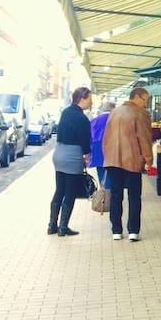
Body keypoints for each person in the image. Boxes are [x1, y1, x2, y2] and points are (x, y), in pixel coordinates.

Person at [103, 87, 153, 241]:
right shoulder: (140, 113)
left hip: (112, 160)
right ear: (137, 97)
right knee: (134, 196)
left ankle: (116, 231)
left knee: (116, 195)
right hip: (132, 160)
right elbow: (144, 138)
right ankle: (133, 231)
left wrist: (107, 157)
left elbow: (106, 138)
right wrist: (148, 159)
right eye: (145, 99)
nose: (146, 103)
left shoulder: (114, 112)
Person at [48, 87, 93, 237]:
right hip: (72, 156)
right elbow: (85, 142)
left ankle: (52, 226)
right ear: (82, 99)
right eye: (89, 99)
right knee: (70, 192)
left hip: (58, 153)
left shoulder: (65, 112)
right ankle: (63, 228)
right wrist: (87, 156)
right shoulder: (82, 119)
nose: (91, 102)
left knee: (59, 190)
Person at [89, 100, 115, 188]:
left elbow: (89, 136)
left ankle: (103, 193)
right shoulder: (114, 119)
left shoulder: (94, 120)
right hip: (112, 152)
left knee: (101, 174)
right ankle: (109, 197)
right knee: (112, 177)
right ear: (112, 109)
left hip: (97, 151)